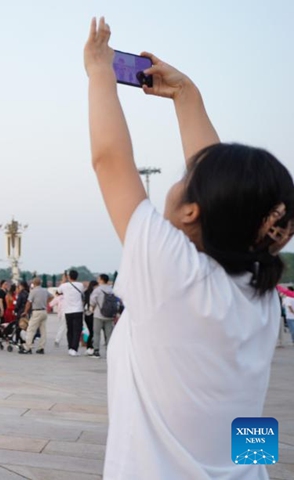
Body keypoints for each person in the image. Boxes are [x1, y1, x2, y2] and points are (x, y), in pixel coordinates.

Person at [85, 17, 294, 478]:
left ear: (192, 212)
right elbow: (225, 192)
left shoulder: (174, 272)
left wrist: (99, 70)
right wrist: (186, 96)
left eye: (185, 178)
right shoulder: (259, 294)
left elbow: (109, 161)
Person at [19, 277, 52, 355]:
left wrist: (25, 312)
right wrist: (46, 303)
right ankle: (41, 348)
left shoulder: (33, 291)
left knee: (31, 329)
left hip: (36, 311)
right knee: (43, 330)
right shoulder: (45, 290)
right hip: (44, 311)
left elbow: (28, 302)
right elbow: (52, 296)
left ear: (33, 283)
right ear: (40, 283)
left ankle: (28, 347)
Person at [57, 270, 85, 356]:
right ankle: (74, 348)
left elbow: (58, 291)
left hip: (68, 310)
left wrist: (63, 280)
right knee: (77, 330)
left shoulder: (64, 285)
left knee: (70, 330)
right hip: (78, 310)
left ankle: (70, 348)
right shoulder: (80, 285)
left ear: (68, 277)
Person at [89, 274, 115, 359]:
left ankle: (96, 351)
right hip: (110, 315)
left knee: (96, 333)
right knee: (109, 334)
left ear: (101, 280)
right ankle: (110, 351)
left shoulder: (97, 290)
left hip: (98, 315)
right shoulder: (111, 289)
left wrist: (92, 308)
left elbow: (92, 301)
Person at [83, 280, 98, 355]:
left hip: (86, 315)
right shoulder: (94, 293)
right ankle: (90, 347)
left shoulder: (86, 292)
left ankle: (89, 347)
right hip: (92, 314)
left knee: (91, 332)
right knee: (93, 332)